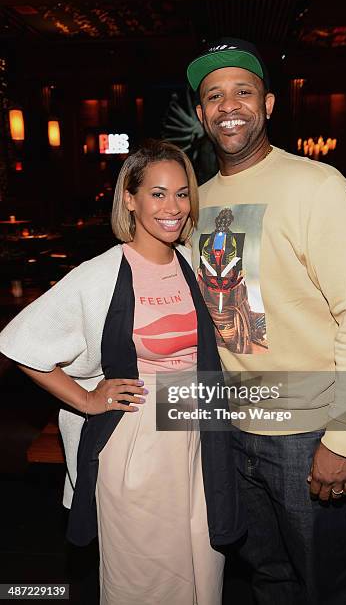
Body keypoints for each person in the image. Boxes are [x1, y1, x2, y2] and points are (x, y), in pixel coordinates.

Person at [187, 38, 346, 604]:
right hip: (231, 430)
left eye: (243, 92)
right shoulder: (195, 204)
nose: (229, 105)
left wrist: (344, 437)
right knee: (268, 579)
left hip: (308, 435)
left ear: (269, 105)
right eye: (214, 96)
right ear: (201, 114)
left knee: (323, 585)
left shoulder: (318, 187)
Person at [0, 140, 246, 605]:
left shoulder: (198, 262)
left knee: (203, 568)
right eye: (157, 193)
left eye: (181, 193)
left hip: (200, 445)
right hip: (136, 443)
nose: (172, 207)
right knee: (146, 578)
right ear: (129, 199)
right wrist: (86, 398)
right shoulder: (100, 274)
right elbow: (19, 343)